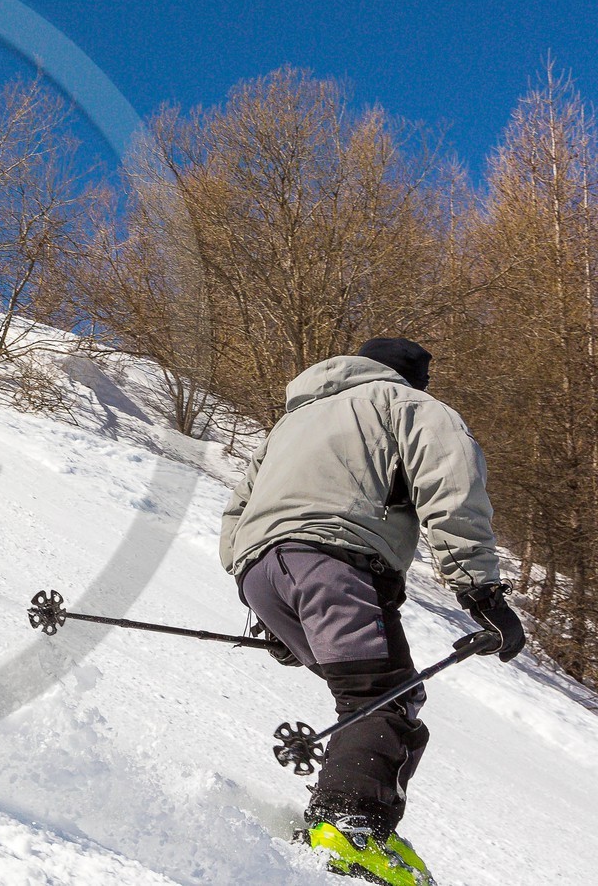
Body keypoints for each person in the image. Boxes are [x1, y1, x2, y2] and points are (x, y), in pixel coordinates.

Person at [220, 337, 525, 885]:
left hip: (261, 570)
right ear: (412, 377)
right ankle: (349, 824)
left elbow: (238, 506)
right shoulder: (410, 408)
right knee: (384, 697)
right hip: (336, 565)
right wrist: (481, 591)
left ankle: (358, 816)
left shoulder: (293, 420)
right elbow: (451, 488)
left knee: (367, 695)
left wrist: (269, 610)